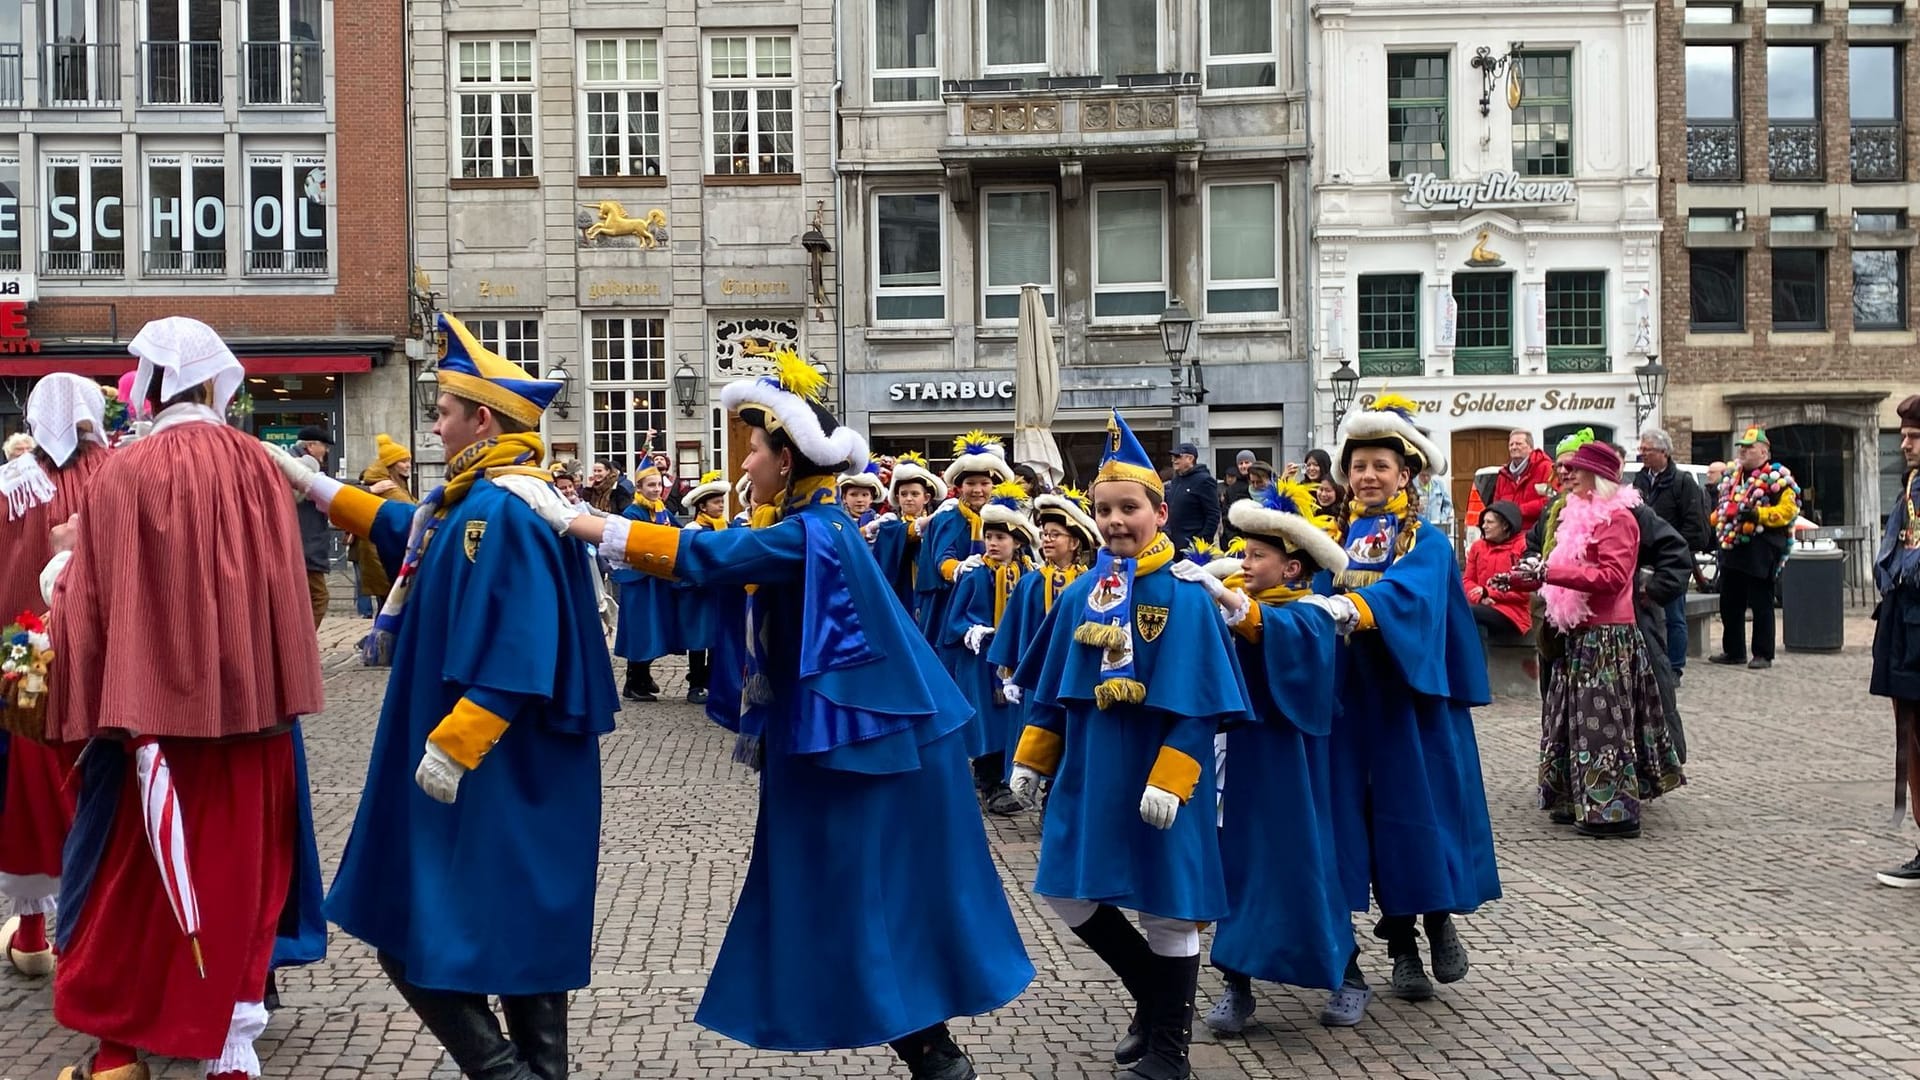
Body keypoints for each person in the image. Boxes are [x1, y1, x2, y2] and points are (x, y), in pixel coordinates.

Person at [567, 350, 1033, 1079]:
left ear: (786, 461)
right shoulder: (812, 524)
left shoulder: (810, 531)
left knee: (852, 887)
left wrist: (586, 523)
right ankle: (930, 1050)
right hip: (866, 742)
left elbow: (712, 555)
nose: (746, 463)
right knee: (859, 889)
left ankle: (933, 1053)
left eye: (754, 448)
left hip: (868, 750)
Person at [286, 312, 618, 1080]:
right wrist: (313, 484)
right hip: (503, 769)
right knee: (517, 936)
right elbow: (407, 527)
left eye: (441, 411)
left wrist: (454, 746)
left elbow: (521, 647)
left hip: (491, 766)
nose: (433, 426)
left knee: (420, 931)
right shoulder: (478, 500)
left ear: (484, 418)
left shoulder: (503, 508)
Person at [46, 316, 327, 1080]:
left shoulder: (126, 472)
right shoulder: (261, 465)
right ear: (214, 381)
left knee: (137, 887)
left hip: (154, 726)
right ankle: (231, 1049)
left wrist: (55, 586)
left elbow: (90, 602)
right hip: (254, 719)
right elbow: (290, 587)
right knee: (243, 882)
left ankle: (117, 1051)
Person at [1006, 411, 1251, 1080]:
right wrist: (1031, 759)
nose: (1116, 520)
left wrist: (1171, 779)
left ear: (1159, 511)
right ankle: (1157, 998)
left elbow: (1202, 706)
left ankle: (1169, 1050)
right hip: (1091, 772)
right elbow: (1055, 690)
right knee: (1068, 892)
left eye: (1129, 508)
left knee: (1168, 908)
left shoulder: (1189, 596)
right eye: (1105, 509)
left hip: (1162, 777)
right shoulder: (1086, 591)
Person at [1318, 395, 1500, 1002]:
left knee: (1417, 815)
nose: (1368, 477)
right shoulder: (1333, 538)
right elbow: (1307, 595)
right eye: (1359, 466)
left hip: (1409, 701)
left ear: (1406, 474)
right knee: (1365, 820)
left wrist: (1358, 605)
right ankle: (1400, 947)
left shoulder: (1423, 540)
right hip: (1351, 704)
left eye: (1380, 466)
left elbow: (1415, 594)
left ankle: (1437, 920)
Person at [1181, 483, 1367, 1031]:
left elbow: (1281, 633)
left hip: (1292, 765)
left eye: (1257, 556)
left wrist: (1231, 602)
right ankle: (1236, 984)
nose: (1245, 562)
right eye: (1243, 553)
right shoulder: (1240, 606)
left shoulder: (1311, 613)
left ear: (1291, 569)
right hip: (1233, 760)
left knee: (1305, 866)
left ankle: (1347, 974)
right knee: (1234, 871)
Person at [1500, 442, 1684, 840]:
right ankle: (1574, 798)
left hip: (1608, 638)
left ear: (1597, 478)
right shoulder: (1572, 513)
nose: (1568, 474)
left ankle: (1615, 812)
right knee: (1572, 720)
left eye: (1577, 470)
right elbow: (1566, 566)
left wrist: (1551, 573)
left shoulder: (1618, 518)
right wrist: (1529, 575)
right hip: (1580, 634)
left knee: (1604, 728)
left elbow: (1612, 578)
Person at [0, 374, 110, 979]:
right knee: (97, 779)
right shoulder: (120, 471)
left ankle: (38, 934)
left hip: (24, 646)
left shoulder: (12, 484)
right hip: (102, 649)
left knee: (34, 786)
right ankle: (87, 931)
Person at [988, 485, 1098, 810]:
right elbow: (1014, 627)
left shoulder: (1090, 583)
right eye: (1045, 533)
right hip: (1039, 675)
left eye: (1056, 534)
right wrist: (1009, 673)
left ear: (1075, 542)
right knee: (1038, 730)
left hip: (1074, 672)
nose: (1047, 539)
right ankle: (1030, 788)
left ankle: (1060, 794)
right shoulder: (1030, 582)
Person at [944, 481, 1035, 815]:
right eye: (990, 537)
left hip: (1013, 660)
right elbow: (954, 620)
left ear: (1018, 542)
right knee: (985, 721)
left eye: (1001, 538)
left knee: (1011, 720)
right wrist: (973, 630)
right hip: (980, 660)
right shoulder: (974, 573)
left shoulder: (1028, 575)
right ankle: (988, 782)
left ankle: (1010, 778)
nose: (994, 543)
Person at [1873, 396, 1920, 887]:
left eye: (1914, 436)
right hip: (1904, 625)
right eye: (1904, 435)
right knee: (1911, 738)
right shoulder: (1911, 486)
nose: (1904, 443)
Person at [1708, 427, 1800, 670]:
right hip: (1732, 544)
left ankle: (1762, 653)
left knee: (1761, 601)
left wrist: (1759, 513)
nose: (1743, 452)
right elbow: (1723, 504)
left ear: (1763, 451)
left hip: (1762, 546)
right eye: (1741, 447)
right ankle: (1734, 650)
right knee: (1729, 601)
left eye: (1749, 448)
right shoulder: (1732, 476)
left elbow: (1789, 511)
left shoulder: (1777, 477)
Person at [914, 431, 1015, 650]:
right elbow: (942, 559)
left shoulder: (1004, 515)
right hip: (951, 603)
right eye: (970, 483)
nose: (977, 490)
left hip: (996, 595)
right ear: (960, 487)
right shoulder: (947, 517)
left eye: (984, 483)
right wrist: (959, 568)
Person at [1633, 428, 1710, 681]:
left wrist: (1676, 551)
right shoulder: (1641, 480)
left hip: (1671, 557)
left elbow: (1694, 523)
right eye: (1641, 450)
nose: (1641, 454)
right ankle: (1651, 663)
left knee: (1675, 615)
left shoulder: (1682, 482)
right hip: (1645, 558)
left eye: (1647, 450)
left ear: (1663, 452)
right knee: (1647, 613)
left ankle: (1675, 667)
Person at [613, 458, 682, 701]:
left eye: (658, 485)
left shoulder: (662, 510)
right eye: (650, 485)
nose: (656, 490)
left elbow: (678, 533)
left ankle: (644, 674)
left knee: (655, 628)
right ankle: (634, 681)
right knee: (641, 630)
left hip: (656, 579)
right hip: (639, 581)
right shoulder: (633, 512)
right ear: (639, 488)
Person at [679, 470, 734, 707]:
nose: (720, 505)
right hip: (699, 593)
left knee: (716, 639)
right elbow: (688, 561)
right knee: (699, 639)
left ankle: (712, 681)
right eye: (716, 502)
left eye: (722, 501)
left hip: (718, 592)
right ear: (702, 506)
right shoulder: (693, 529)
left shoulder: (724, 526)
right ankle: (695, 684)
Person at [348, 433, 416, 614]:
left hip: (382, 550)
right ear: (391, 465)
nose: (408, 465)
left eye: (408, 460)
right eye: (403, 461)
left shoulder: (395, 483)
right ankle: (379, 641)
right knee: (390, 605)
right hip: (381, 553)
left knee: (388, 604)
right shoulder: (387, 486)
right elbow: (409, 510)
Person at [869, 451, 942, 614]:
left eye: (915, 494)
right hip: (902, 594)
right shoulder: (889, 525)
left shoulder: (937, 525)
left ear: (927, 497)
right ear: (897, 497)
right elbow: (909, 532)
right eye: (903, 494)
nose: (909, 498)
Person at [1462, 500, 1530, 645]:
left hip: (1512, 612)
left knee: (1468, 613)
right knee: (1469, 616)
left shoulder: (1522, 547)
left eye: (1489, 522)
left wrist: (1488, 592)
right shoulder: (1477, 547)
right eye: (1483, 522)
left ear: (1505, 525)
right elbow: (1467, 580)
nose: (1483, 526)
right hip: (1481, 605)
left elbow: (1524, 590)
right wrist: (1480, 597)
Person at [293, 425, 335, 629]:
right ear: (311, 446)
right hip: (304, 549)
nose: (326, 451)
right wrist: (369, 489)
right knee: (318, 598)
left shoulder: (297, 467)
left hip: (301, 549)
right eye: (324, 446)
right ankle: (301, 647)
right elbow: (331, 489)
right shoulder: (302, 471)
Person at [1478, 430, 1554, 532]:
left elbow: (1549, 502)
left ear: (1530, 447)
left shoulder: (1545, 468)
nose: (1514, 447)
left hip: (1535, 533)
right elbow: (1497, 504)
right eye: (1511, 445)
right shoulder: (1504, 474)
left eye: (1518, 444)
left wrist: (1517, 510)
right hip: (1507, 534)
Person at [1164, 441, 1221, 553]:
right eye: (1172, 457)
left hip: (1193, 548)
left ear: (1190, 459)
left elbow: (1213, 514)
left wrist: (1201, 542)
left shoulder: (1204, 480)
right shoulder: (1176, 480)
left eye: (1178, 456)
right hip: (1173, 545)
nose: (1173, 460)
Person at [839, 462, 885, 529]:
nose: (860, 500)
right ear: (844, 497)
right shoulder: (838, 520)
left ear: (871, 498)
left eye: (865, 495)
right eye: (853, 494)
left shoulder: (879, 522)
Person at [1416, 464, 1453, 536]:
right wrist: (1415, 509)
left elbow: (1448, 505)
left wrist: (1442, 518)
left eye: (1428, 475)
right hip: (1420, 527)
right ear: (1419, 474)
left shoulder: (1440, 485)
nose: (1426, 478)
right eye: (1423, 475)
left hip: (1437, 527)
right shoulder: (1413, 486)